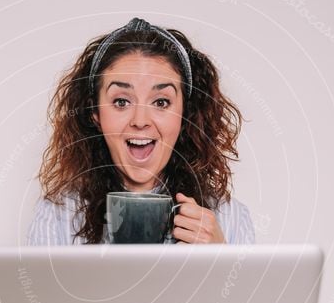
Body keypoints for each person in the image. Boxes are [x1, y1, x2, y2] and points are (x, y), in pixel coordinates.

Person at [27, 17, 255, 245]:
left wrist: (221, 258)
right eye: (121, 102)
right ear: (94, 114)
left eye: (161, 102)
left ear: (185, 115)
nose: (140, 120)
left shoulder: (229, 219)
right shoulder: (57, 215)